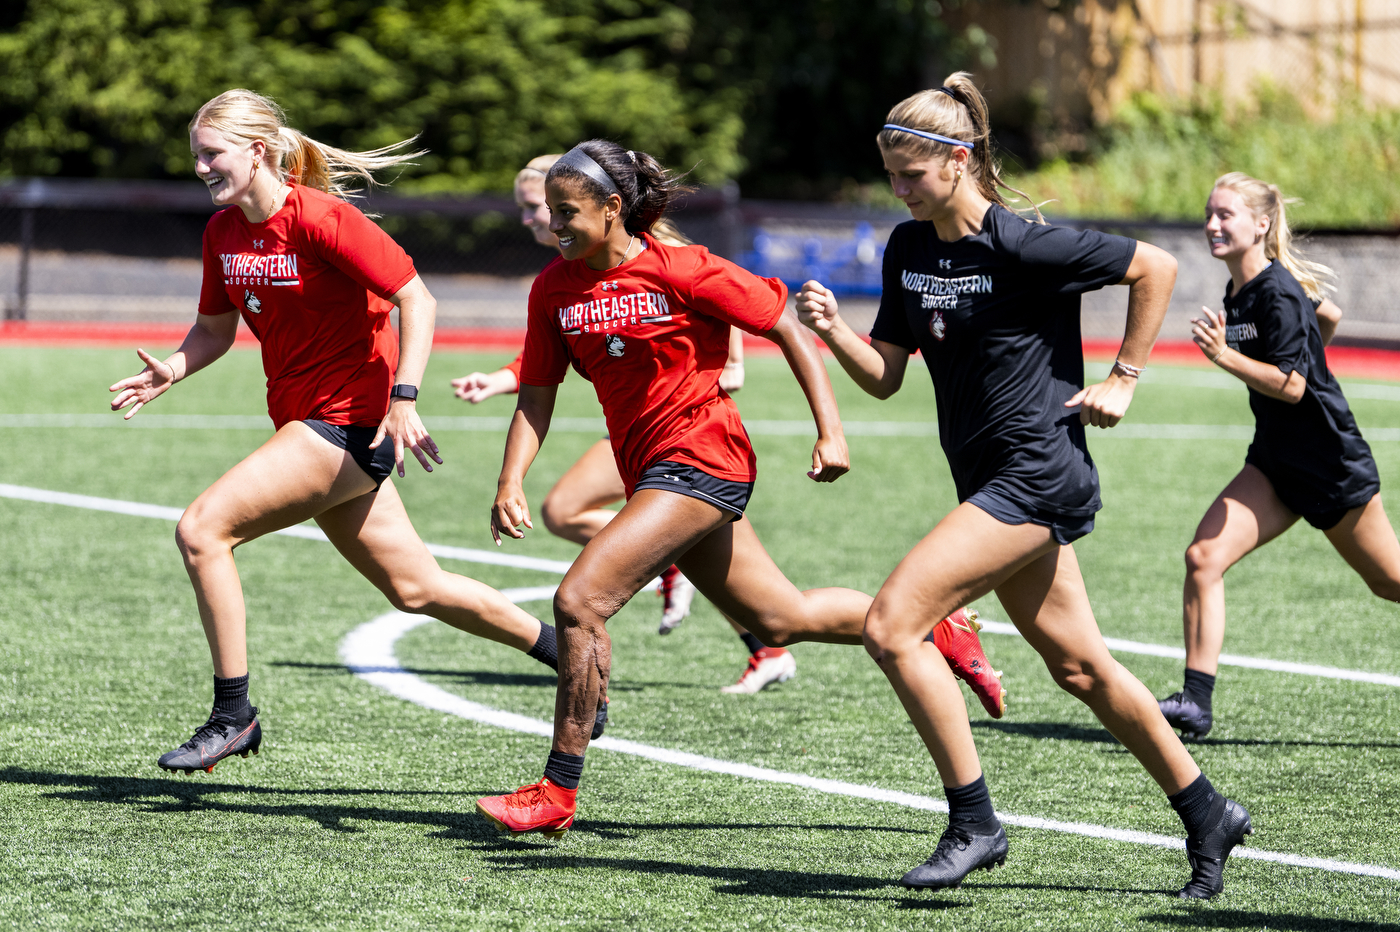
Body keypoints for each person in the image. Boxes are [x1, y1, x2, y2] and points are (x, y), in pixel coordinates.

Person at [794, 74, 1251, 899]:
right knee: (1081, 668)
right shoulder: (909, 247)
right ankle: (1208, 811)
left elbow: (1156, 265)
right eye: (891, 176)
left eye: (912, 175)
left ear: (959, 161)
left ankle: (974, 823)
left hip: (1038, 476)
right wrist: (830, 333)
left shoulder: (1024, 244)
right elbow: (887, 378)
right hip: (988, 480)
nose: (899, 191)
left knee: (893, 625)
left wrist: (1124, 376)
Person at [475, 139, 1002, 841]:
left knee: (579, 601)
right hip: (653, 475)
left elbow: (783, 323)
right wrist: (511, 478)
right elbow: (536, 394)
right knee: (782, 618)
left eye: (566, 212)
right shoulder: (555, 288)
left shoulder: (682, 268)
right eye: (551, 213)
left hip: (702, 462)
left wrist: (830, 429)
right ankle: (936, 626)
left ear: (611, 208)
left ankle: (557, 790)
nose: (554, 224)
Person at [109, 89, 568, 775]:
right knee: (418, 588)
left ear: (256, 151)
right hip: (311, 424)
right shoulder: (223, 232)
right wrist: (171, 370)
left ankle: (233, 717)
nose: (201, 167)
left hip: (345, 422)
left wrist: (404, 398)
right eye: (197, 155)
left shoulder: (322, 218)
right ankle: (573, 656)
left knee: (203, 529)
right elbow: (212, 330)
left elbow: (418, 296)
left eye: (212, 153)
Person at [449, 159, 780, 691]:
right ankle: (766, 644)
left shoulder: (647, 249)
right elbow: (564, 347)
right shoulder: (563, 277)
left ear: (607, 208)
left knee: (574, 554)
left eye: (541, 207)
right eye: (532, 210)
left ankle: (567, 763)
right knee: (773, 607)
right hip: (641, 432)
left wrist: (732, 359)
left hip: (689, 431)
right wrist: (502, 380)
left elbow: (708, 289)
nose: (536, 221)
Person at [1157, 173, 1400, 739]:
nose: (1212, 224)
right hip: (1274, 463)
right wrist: (1313, 342)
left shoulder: (1275, 291)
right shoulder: (1243, 290)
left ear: (1260, 225)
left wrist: (1224, 356)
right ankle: (1195, 703)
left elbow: (1291, 386)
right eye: (1210, 212)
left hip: (1329, 463)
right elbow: (1330, 316)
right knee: (1203, 558)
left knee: (1389, 583)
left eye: (1226, 215)